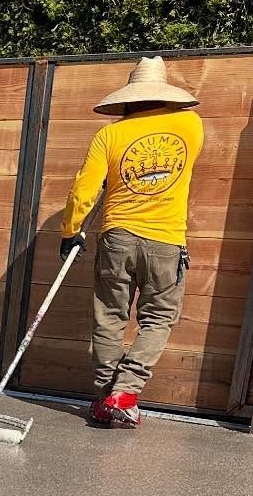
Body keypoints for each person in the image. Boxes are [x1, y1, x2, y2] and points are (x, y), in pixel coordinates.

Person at [59, 55, 204, 427]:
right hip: (166, 241)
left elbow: (83, 191)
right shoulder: (190, 125)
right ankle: (124, 394)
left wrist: (70, 231)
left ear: (128, 97)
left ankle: (105, 395)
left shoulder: (109, 134)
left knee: (109, 317)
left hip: (117, 237)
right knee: (157, 318)